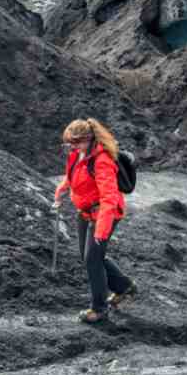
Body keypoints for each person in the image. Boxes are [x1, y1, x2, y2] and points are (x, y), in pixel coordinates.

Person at [54, 118, 136, 324]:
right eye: (69, 143)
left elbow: (109, 198)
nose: (71, 147)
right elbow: (71, 175)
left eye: (75, 143)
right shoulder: (76, 154)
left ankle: (99, 309)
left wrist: (101, 230)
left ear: (88, 139)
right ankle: (124, 287)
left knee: (93, 259)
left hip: (103, 214)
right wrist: (62, 189)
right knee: (88, 255)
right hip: (85, 211)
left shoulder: (102, 160)